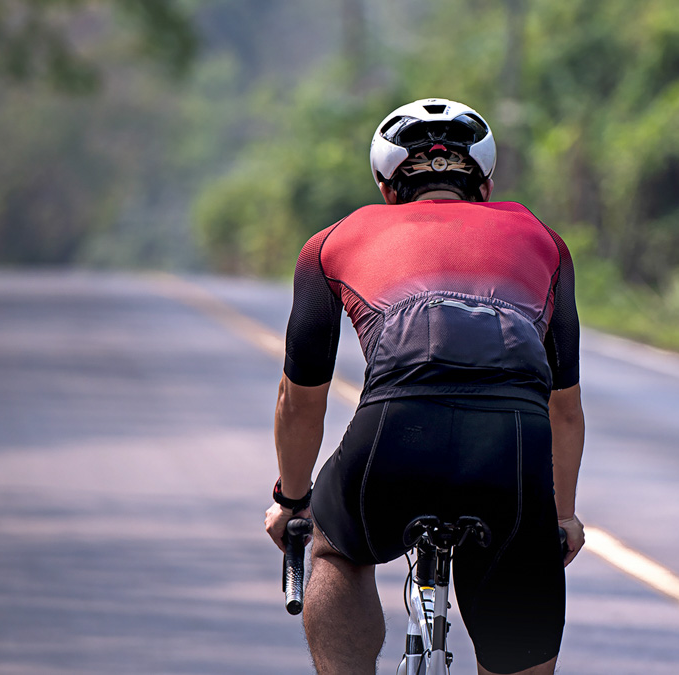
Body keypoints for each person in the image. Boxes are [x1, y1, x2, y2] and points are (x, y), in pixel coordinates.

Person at [263, 98, 586, 675]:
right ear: (484, 184)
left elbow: (301, 398)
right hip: (512, 443)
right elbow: (564, 407)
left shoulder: (332, 241)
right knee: (522, 573)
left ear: (387, 188)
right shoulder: (543, 239)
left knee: (336, 548)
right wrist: (560, 519)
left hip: (395, 426)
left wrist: (291, 500)